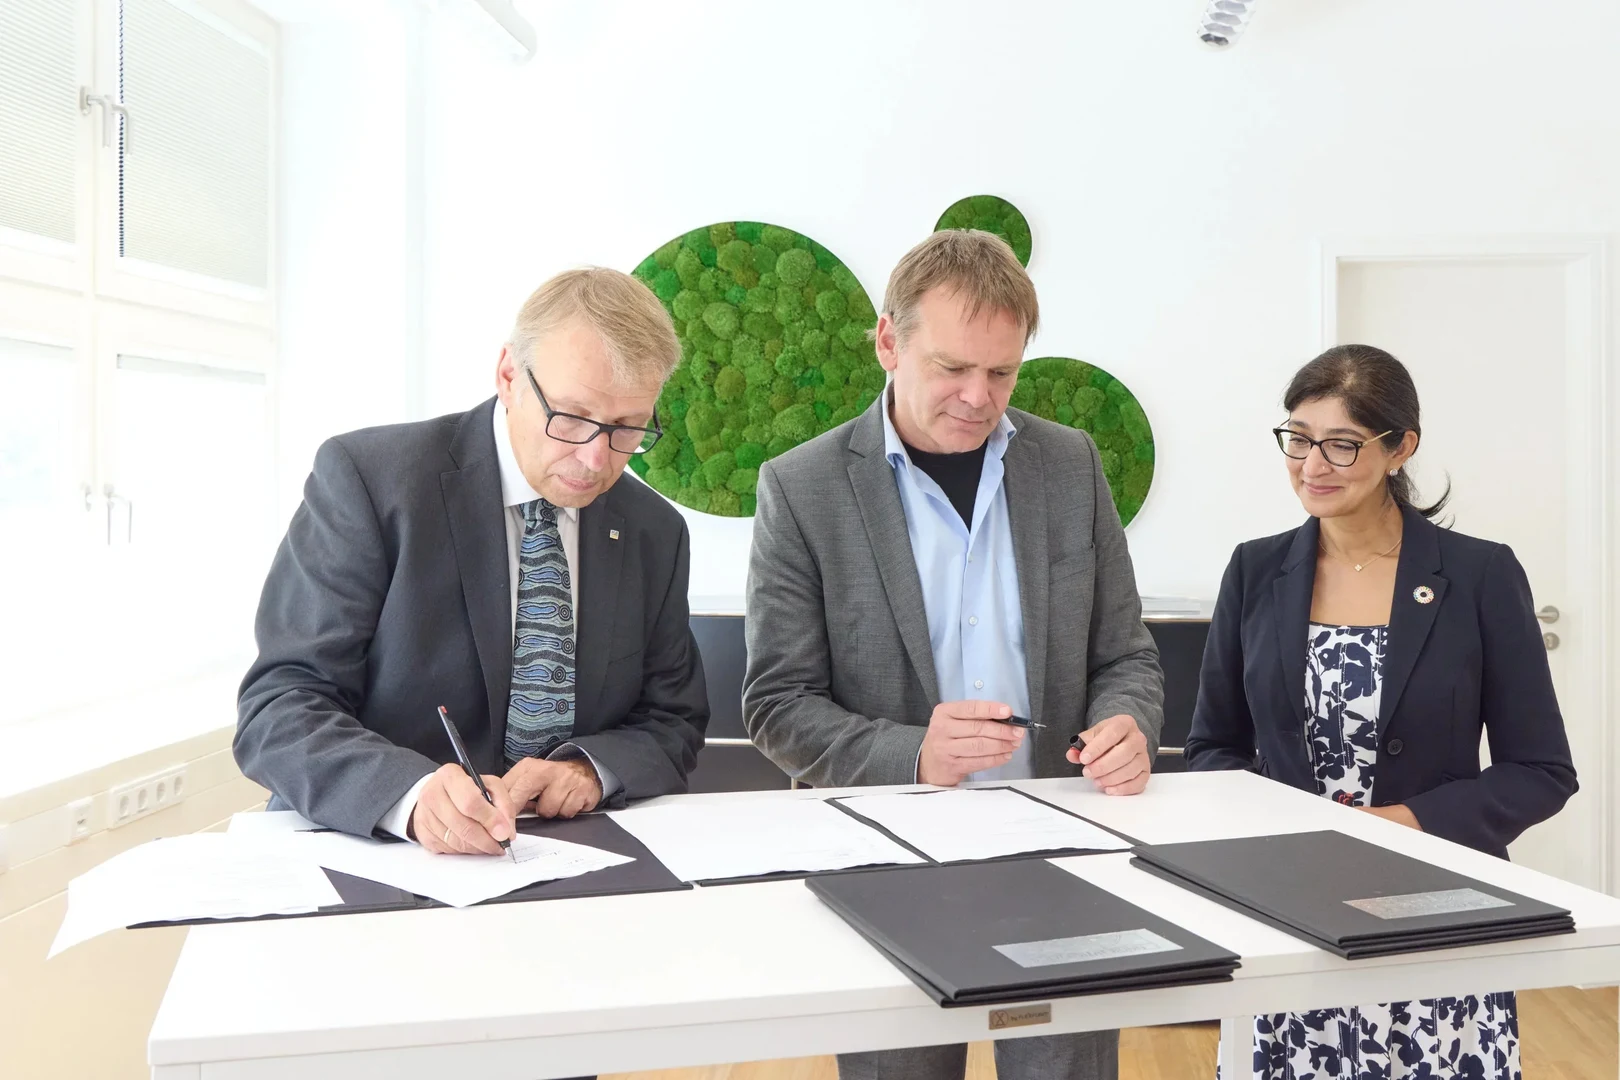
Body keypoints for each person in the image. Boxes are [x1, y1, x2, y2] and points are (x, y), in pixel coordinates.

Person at [743, 228, 1164, 1080]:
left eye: (1002, 373)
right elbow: (778, 703)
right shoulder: (802, 487)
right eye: (952, 368)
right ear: (889, 343)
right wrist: (914, 753)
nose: (980, 397)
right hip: (889, 858)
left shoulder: (1072, 465)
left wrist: (1128, 721)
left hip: (1060, 855)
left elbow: (1126, 655)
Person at [1186, 344, 1577, 1080]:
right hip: (1290, 909)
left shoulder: (1480, 574)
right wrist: (1284, 837)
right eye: (1298, 439)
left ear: (1402, 448)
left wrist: (1392, 829)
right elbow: (1213, 748)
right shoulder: (1254, 569)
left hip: (1439, 917)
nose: (1312, 465)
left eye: (1341, 444)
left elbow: (1541, 771)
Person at [236, 268, 709, 855]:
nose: (595, 459)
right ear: (509, 375)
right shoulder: (371, 481)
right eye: (571, 417)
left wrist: (591, 769)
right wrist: (409, 797)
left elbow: (674, 721)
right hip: (376, 854)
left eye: (628, 428)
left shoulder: (653, 531)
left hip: (563, 865)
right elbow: (281, 705)